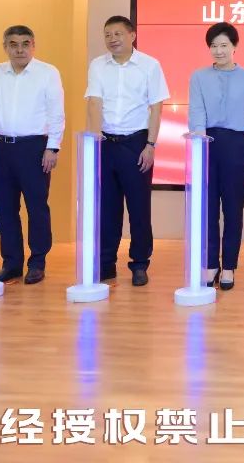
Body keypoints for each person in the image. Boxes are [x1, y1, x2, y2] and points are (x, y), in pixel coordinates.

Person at [0, 25, 65, 285]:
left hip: (34, 148)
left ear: (33, 45)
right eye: (13, 44)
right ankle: (11, 263)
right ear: (5, 47)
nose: (19, 49)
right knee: (5, 208)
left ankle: (37, 262)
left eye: (25, 44)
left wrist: (53, 147)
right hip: (1, 147)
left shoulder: (47, 73)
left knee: (37, 207)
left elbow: (56, 113)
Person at [86, 15, 169, 286]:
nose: (112, 39)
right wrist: (95, 141)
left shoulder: (149, 65)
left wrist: (150, 145)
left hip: (136, 144)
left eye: (118, 34)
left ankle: (140, 263)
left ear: (132, 35)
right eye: (107, 34)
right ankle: (106, 263)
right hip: (105, 143)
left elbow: (156, 108)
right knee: (106, 208)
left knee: (139, 208)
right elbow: (94, 103)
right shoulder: (98, 65)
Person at [189, 22, 244, 291]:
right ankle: (211, 264)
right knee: (208, 207)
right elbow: (196, 112)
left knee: (233, 208)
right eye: (213, 46)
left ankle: (229, 265)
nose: (218, 51)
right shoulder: (199, 77)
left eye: (223, 45)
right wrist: (199, 145)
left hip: (236, 145)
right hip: (207, 143)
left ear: (234, 47)